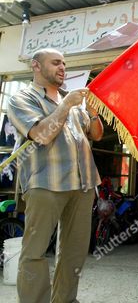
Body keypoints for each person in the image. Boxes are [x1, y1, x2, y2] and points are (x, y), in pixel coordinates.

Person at [7, 48, 103, 303]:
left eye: (64, 63)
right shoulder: (22, 98)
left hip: (83, 184)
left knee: (74, 252)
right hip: (45, 183)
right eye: (56, 63)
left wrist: (91, 110)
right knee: (35, 253)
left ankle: (65, 300)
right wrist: (68, 105)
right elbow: (41, 134)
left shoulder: (69, 100)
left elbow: (96, 134)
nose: (62, 67)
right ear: (36, 66)